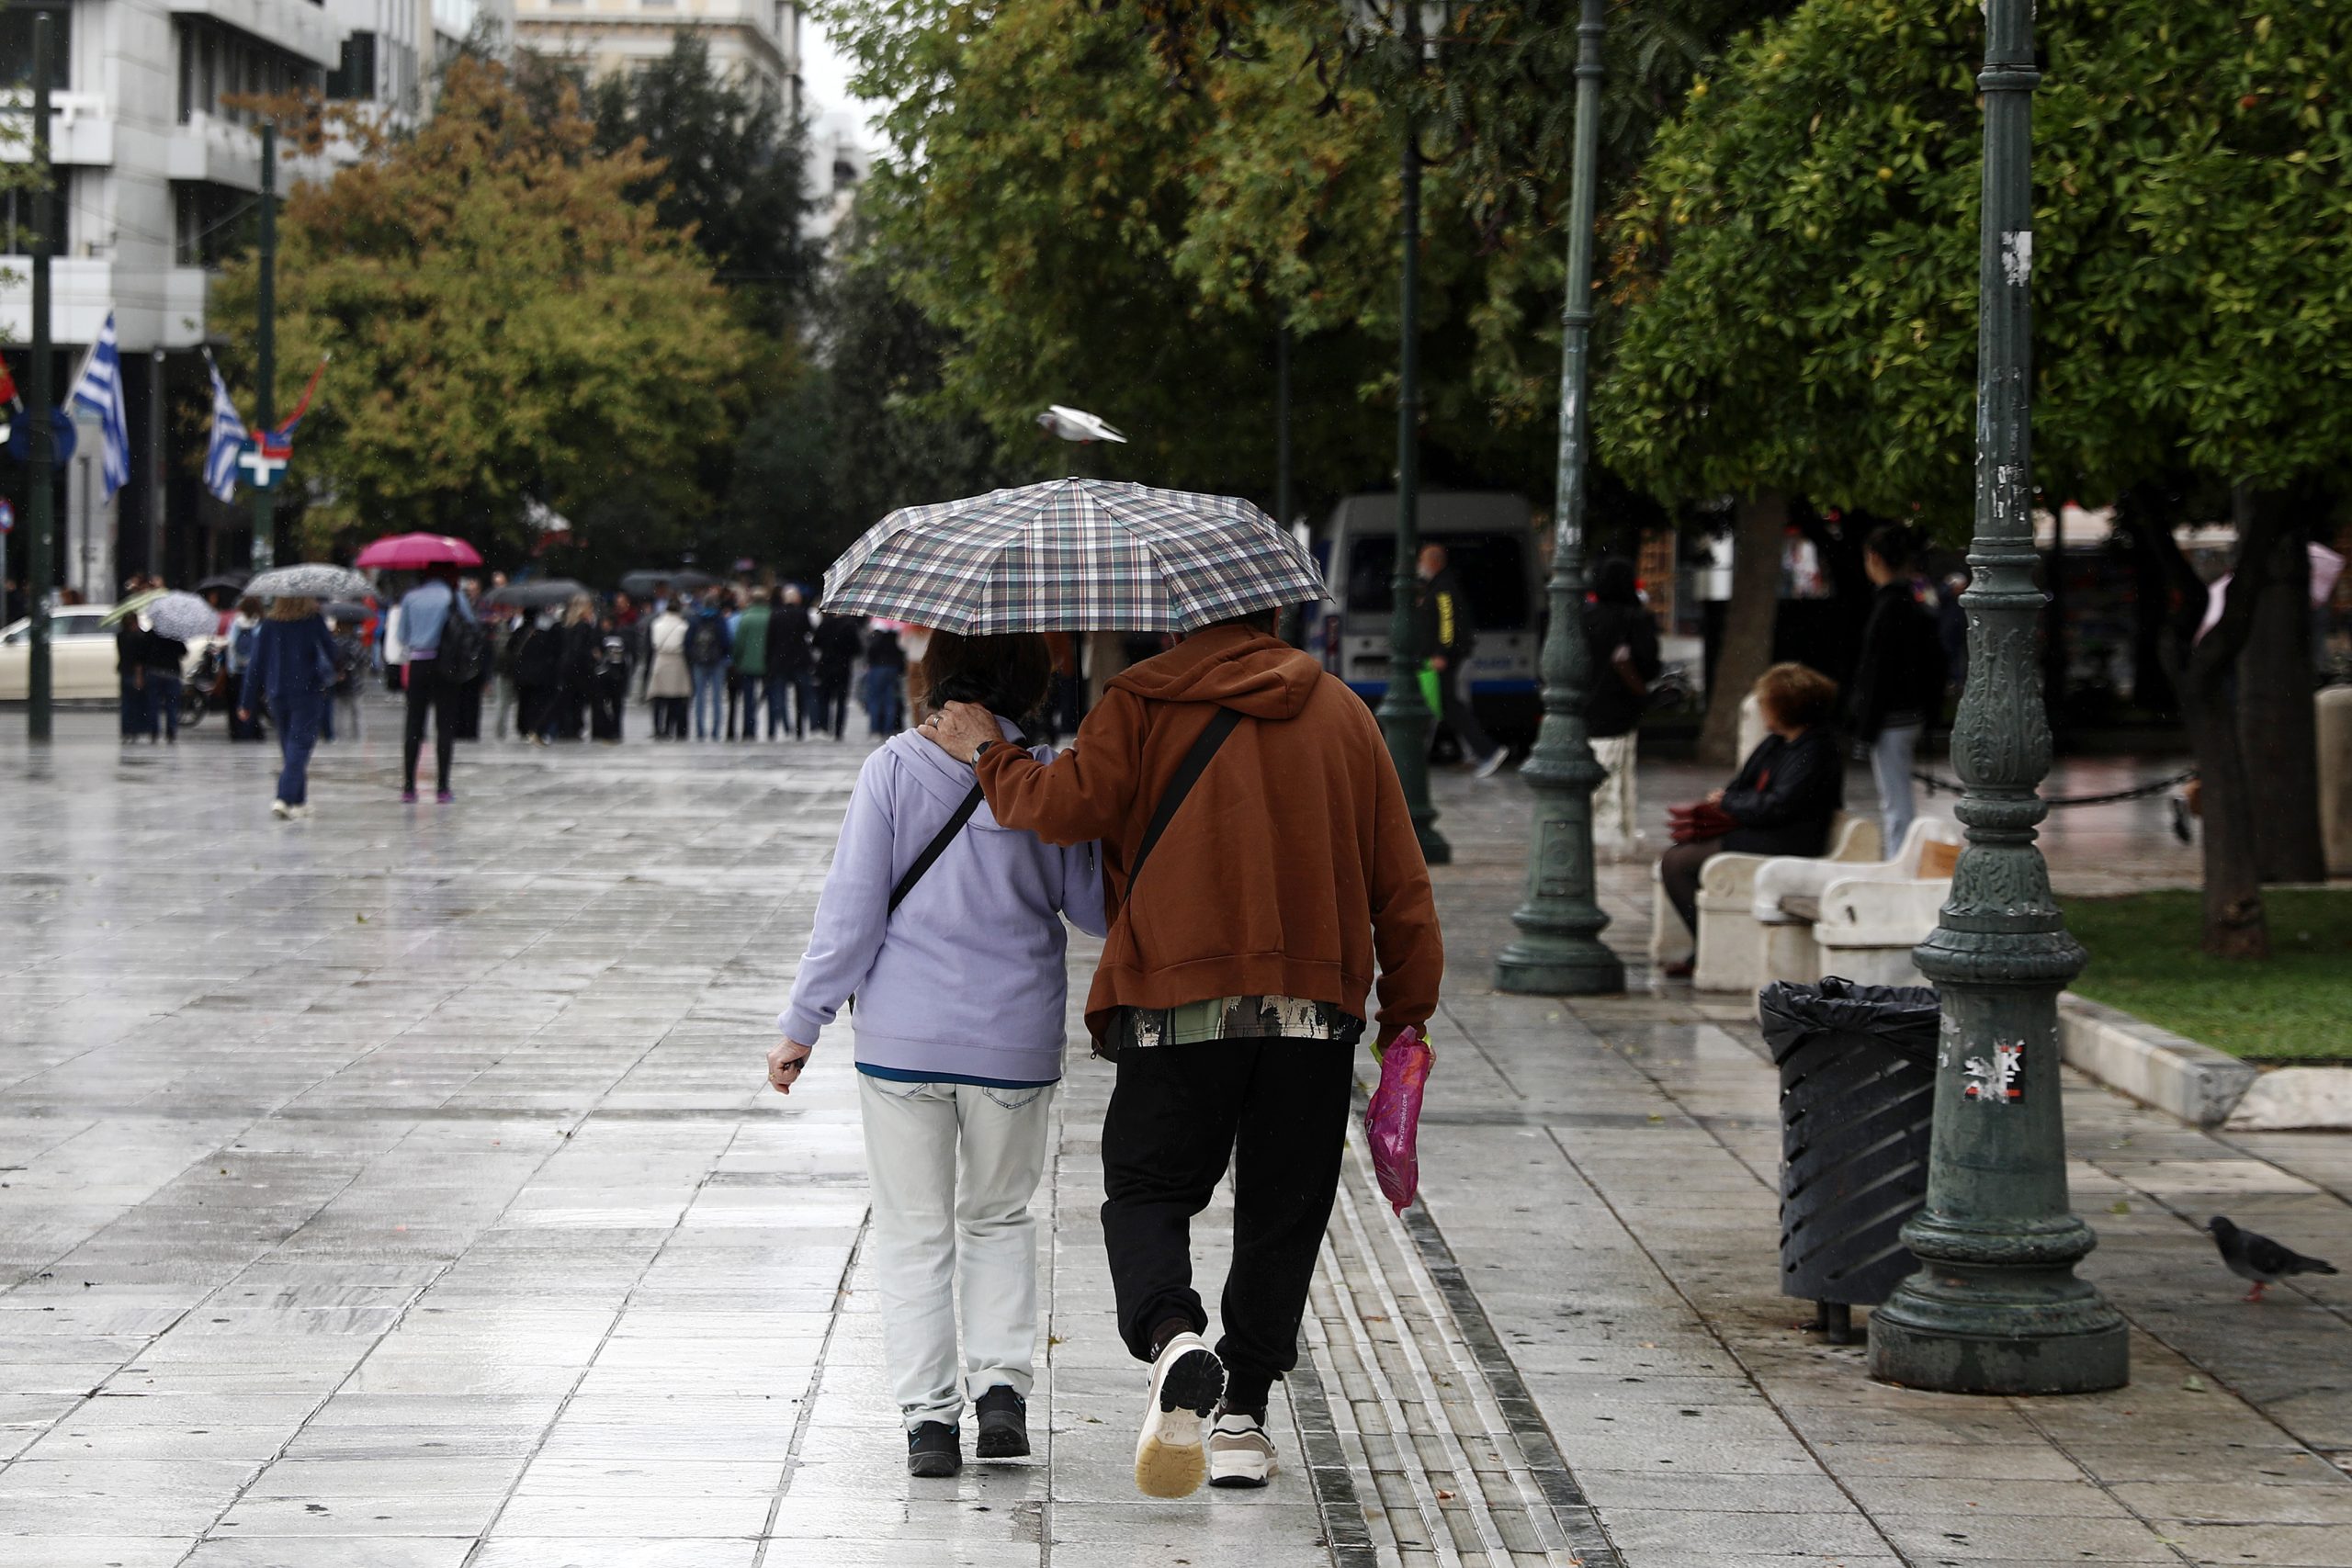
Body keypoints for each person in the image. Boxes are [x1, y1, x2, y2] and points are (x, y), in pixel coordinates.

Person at [920, 608, 1442, 1499]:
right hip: (1311, 1011)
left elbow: (1057, 809)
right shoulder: (1343, 712)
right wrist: (1407, 1012)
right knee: (1285, 1208)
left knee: (1146, 1191)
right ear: (1274, 614)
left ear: (1177, 618)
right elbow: (1400, 877)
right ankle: (1242, 1418)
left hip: (1174, 1003)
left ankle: (1173, 1338)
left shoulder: (1139, 701)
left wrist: (986, 751)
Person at [767, 633, 1106, 1481]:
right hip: (1015, 1041)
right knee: (998, 1216)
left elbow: (851, 912)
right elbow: (1095, 909)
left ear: (935, 676)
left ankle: (928, 1422)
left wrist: (801, 1023)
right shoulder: (1046, 778)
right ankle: (1000, 1396)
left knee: (915, 1228)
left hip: (902, 1042)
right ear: (1028, 683)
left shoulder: (890, 769)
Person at [1657, 661, 1845, 976]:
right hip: (1764, 828)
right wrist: (1729, 799)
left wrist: (1730, 801)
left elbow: (1780, 805)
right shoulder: (1777, 743)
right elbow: (1742, 786)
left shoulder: (1814, 750)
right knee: (1677, 857)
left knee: (1677, 864)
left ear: (1785, 707)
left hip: (1789, 838)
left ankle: (1708, 949)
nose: (1761, 710)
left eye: (1766, 703)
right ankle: (1705, 946)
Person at [1847, 525, 1948, 853]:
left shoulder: (1889, 606)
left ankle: (1899, 856)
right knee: (1897, 794)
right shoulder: (1916, 602)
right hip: (1910, 712)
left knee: (1895, 797)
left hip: (1892, 717)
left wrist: (1865, 728)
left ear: (1874, 559)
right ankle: (1900, 854)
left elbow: (1878, 672)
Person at [1583, 558, 1663, 850]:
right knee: (1619, 773)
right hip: (1621, 709)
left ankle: (1593, 831)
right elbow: (1649, 665)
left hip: (1587, 707)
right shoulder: (1635, 619)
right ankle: (1616, 833)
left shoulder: (1584, 617)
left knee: (1595, 772)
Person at [238, 596, 336, 819]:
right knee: (299, 747)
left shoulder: (270, 625)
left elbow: (256, 665)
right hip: (307, 691)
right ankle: (283, 797)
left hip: (277, 693)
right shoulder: (312, 621)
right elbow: (331, 651)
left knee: (289, 746)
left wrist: (246, 702)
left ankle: (299, 801)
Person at [1415, 543, 1508, 778]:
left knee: (1450, 704)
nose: (1420, 566)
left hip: (1446, 659)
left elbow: (1447, 623)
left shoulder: (1443, 588)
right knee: (1449, 705)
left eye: (1422, 561)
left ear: (1433, 562)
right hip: (1446, 657)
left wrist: (1441, 653)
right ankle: (1481, 751)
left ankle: (1488, 750)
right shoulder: (1438, 586)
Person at [394, 563, 477, 803]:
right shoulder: (454, 596)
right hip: (446, 664)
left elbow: (402, 636)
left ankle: (409, 787)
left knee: (413, 725)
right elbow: (469, 625)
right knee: (445, 725)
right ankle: (442, 788)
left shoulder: (410, 597)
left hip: (418, 664)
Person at [766, 587, 816, 738]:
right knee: (802, 696)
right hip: (799, 660)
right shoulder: (802, 613)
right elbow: (809, 633)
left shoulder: (776, 614)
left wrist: (769, 661)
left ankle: (781, 726)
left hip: (780, 661)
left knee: (779, 696)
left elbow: (770, 640)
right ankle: (800, 728)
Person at [686, 590, 732, 740]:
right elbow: (726, 641)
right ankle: (716, 731)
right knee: (717, 698)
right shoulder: (719, 619)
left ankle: (700, 730)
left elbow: (688, 641)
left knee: (699, 697)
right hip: (717, 661)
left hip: (699, 662)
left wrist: (692, 656)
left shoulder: (695, 619)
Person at [510, 612, 561, 745]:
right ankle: (532, 727)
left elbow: (510, 648)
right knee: (535, 703)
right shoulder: (545, 635)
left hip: (522, 675)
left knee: (524, 702)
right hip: (538, 676)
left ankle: (524, 727)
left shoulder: (521, 632)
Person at [555, 594, 600, 741]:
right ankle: (574, 728)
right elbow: (580, 648)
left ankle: (566, 728)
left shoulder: (567, 624)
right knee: (579, 701)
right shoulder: (583, 625)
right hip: (578, 668)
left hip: (566, 666)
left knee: (568, 699)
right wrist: (592, 655)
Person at [646, 597, 692, 739]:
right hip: (677, 661)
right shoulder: (683, 626)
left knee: (658, 698)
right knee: (675, 698)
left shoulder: (656, 624)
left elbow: (650, 645)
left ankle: (658, 728)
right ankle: (672, 728)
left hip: (660, 659)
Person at [813, 611, 863, 740]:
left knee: (825, 698)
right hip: (843, 667)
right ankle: (838, 731)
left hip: (826, 666)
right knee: (841, 700)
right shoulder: (850, 625)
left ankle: (824, 727)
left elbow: (816, 643)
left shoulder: (825, 623)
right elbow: (857, 649)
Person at [729, 589, 770, 741]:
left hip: (747, 664)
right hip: (766, 663)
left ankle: (749, 729)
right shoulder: (769, 616)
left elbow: (739, 643)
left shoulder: (745, 618)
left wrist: (736, 660)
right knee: (769, 698)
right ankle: (770, 729)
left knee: (748, 699)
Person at [223, 597, 266, 741]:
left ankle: (237, 731)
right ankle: (252, 730)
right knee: (252, 702)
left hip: (236, 671)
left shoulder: (236, 622)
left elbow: (231, 643)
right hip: (254, 671)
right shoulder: (259, 622)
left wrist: (231, 667)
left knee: (235, 702)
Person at [141, 622, 187, 744]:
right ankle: (171, 732)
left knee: (153, 704)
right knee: (171, 704)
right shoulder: (175, 634)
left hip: (154, 672)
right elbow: (183, 652)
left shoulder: (151, 633)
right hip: (172, 673)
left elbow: (143, 652)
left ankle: (154, 732)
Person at [590, 613, 632, 742]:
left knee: (614, 705)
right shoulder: (599, 636)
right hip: (606, 676)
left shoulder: (615, 637)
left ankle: (612, 730)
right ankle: (606, 730)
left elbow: (619, 659)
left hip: (613, 676)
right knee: (603, 705)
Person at [863, 621, 908, 737]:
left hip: (877, 668)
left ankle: (875, 728)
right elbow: (901, 653)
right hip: (892, 669)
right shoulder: (896, 636)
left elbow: (870, 651)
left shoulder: (877, 635)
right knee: (890, 700)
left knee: (875, 699)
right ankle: (888, 728)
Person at [328, 612, 368, 741]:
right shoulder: (354, 642)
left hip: (337, 682)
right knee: (357, 713)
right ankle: (359, 738)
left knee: (339, 713)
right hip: (355, 683)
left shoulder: (332, 641)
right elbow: (364, 660)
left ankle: (339, 738)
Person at [116, 615, 150, 742]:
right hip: (134, 673)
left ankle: (126, 730)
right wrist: (139, 677)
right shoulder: (138, 637)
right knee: (136, 703)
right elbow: (139, 660)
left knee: (126, 704)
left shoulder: (120, 636)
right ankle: (134, 729)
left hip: (124, 671)